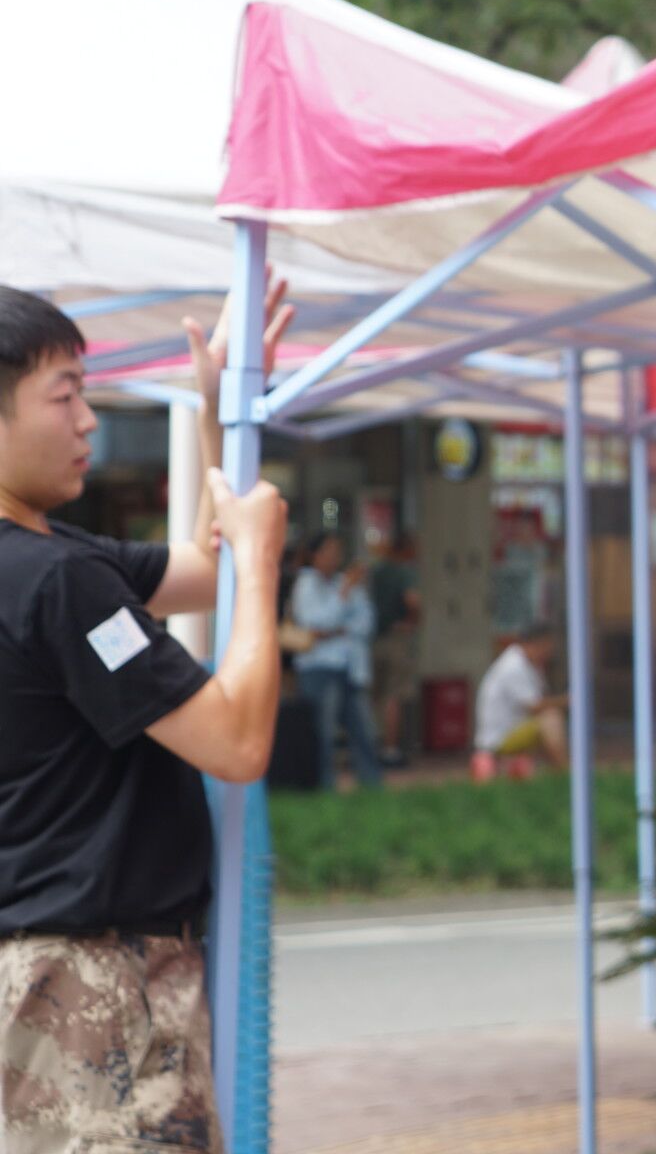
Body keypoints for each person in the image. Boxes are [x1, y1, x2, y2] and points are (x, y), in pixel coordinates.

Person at [0, 282, 292, 1153]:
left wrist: (218, 417)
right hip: (93, 982)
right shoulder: (60, 582)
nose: (89, 420)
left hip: (37, 976)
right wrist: (265, 564)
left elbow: (201, 569)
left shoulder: (51, 559)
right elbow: (235, 741)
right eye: (65, 396)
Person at [289, 532, 383, 790]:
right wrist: (342, 598)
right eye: (329, 551)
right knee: (323, 731)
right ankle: (324, 786)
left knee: (363, 728)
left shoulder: (346, 581)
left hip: (350, 667)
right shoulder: (306, 584)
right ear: (315, 555)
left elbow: (365, 623)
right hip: (319, 667)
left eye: (338, 551)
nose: (335, 557)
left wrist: (335, 629)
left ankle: (372, 785)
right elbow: (315, 623)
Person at [473, 625, 566, 777]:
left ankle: (555, 771)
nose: (549, 653)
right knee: (550, 719)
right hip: (499, 738)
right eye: (546, 647)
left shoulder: (529, 663)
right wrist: (567, 700)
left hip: (515, 729)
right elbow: (534, 706)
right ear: (535, 644)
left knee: (548, 718)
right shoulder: (514, 665)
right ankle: (563, 771)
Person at [370, 532, 423, 765]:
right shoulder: (403, 572)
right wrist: (413, 622)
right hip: (395, 638)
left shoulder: (376, 572)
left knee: (376, 696)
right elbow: (413, 600)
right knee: (394, 696)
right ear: (406, 549)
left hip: (373, 640)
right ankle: (390, 749)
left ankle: (373, 743)